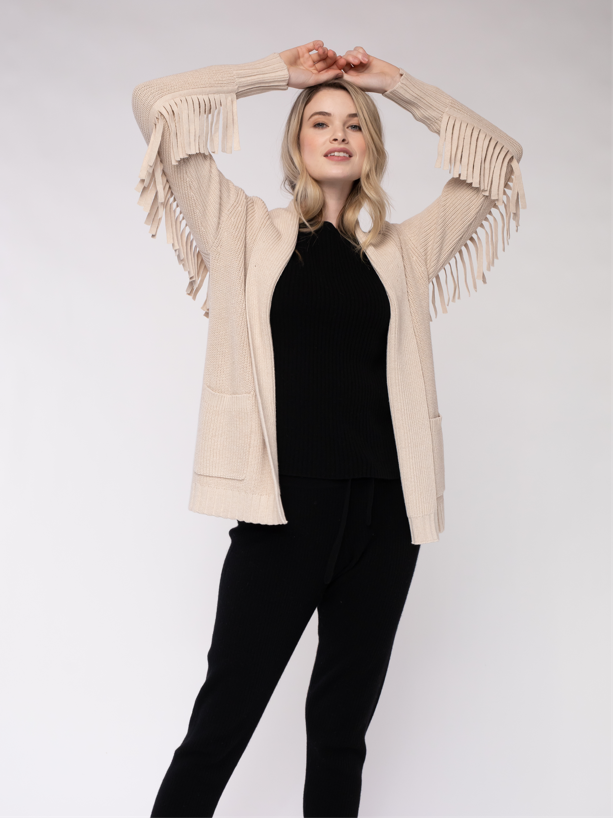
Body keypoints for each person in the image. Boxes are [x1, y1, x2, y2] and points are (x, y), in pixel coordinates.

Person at [132, 41, 526, 818]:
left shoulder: (402, 250)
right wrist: (277, 75)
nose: (338, 133)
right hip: (284, 513)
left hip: (386, 519)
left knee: (341, 734)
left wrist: (396, 85)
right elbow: (156, 103)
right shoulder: (243, 229)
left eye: (353, 123)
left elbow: (499, 160)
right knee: (220, 726)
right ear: (296, 143)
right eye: (319, 120)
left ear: (370, 146)